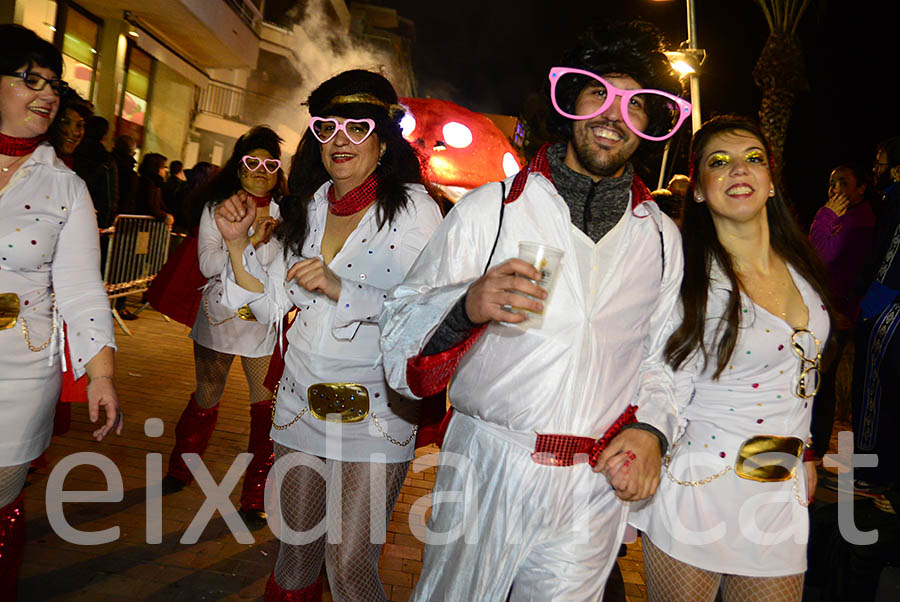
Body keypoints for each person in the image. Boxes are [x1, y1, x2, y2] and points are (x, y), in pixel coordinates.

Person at [380, 20, 689, 601]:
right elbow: (400, 336)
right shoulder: (492, 210)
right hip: (487, 469)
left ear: (649, 125)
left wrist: (651, 429)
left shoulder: (662, 240)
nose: (613, 114)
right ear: (570, 101)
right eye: (600, 92)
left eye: (635, 104)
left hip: (589, 489)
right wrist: (465, 307)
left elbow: (665, 359)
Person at [214, 70, 442, 602]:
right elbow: (269, 306)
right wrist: (233, 246)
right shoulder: (308, 206)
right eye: (326, 126)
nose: (339, 140)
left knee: (349, 564)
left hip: (375, 411)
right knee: (295, 554)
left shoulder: (416, 211)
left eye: (356, 127)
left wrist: (346, 288)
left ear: (383, 140)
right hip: (300, 405)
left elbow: (430, 317)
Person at [628, 115, 832, 601]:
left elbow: (801, 374)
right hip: (698, 493)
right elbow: (658, 375)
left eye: (753, 159)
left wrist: (803, 450)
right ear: (698, 189)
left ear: (770, 182)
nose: (739, 170)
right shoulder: (684, 276)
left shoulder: (801, 264)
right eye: (719, 163)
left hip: (776, 494)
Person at [0, 24, 123, 599]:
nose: (47, 94)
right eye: (31, 79)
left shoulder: (66, 187)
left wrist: (101, 375)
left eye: (54, 85)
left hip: (20, 371)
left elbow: (79, 289)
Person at [161, 127, 285, 530]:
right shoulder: (219, 205)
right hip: (219, 318)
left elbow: (280, 274)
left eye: (270, 164)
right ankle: (181, 467)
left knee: (265, 406)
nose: (261, 171)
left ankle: (256, 493)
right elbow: (209, 265)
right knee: (207, 393)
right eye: (253, 163)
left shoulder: (289, 212)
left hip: (263, 323)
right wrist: (249, 240)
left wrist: (250, 247)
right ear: (239, 166)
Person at [807, 164, 876, 460]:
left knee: (818, 383)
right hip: (831, 312)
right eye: (832, 183)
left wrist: (824, 215)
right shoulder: (848, 218)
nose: (834, 189)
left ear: (861, 189)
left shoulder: (859, 222)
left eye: (843, 183)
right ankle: (816, 450)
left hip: (837, 316)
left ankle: (815, 451)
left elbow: (818, 256)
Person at [74, 115, 119, 230]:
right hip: (90, 215)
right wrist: (105, 223)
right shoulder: (105, 160)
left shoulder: (73, 151)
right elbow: (109, 194)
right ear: (104, 135)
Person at [48, 90, 90, 168]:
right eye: (66, 123)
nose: (76, 132)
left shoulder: (88, 169)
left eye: (79, 125)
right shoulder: (31, 162)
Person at [135, 152, 174, 225]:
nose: (165, 171)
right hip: (143, 225)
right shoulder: (149, 184)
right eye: (164, 167)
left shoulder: (154, 183)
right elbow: (152, 207)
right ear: (156, 168)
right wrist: (165, 217)